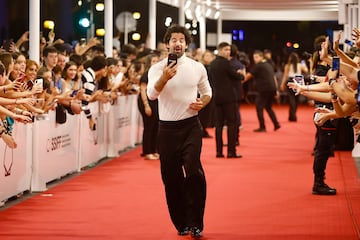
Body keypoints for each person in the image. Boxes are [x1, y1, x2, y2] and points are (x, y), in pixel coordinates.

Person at [147, 24, 212, 238]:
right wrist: (165, 77)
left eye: (181, 40)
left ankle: (196, 224)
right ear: (167, 44)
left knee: (194, 172)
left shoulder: (197, 67)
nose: (177, 43)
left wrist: (202, 103)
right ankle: (181, 223)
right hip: (166, 130)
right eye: (173, 39)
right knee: (171, 177)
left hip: (191, 126)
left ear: (186, 43)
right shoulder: (156, 69)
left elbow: (207, 92)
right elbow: (151, 95)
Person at [209, 42, 244, 158]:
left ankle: (219, 152)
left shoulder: (212, 64)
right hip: (229, 98)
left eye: (229, 50)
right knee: (232, 124)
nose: (228, 52)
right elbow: (237, 77)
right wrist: (240, 75)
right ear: (219, 50)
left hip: (217, 97)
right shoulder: (226, 63)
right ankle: (231, 151)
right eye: (225, 50)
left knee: (218, 126)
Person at [243, 50, 281, 132]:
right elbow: (274, 78)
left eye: (256, 57)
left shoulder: (258, 66)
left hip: (264, 89)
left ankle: (262, 126)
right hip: (272, 88)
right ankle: (276, 124)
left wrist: (239, 80)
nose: (255, 59)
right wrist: (276, 89)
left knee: (259, 106)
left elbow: (247, 77)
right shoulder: (269, 65)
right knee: (268, 107)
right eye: (254, 58)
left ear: (261, 57)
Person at [137, 53, 160, 160]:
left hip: (154, 101)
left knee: (155, 126)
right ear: (149, 63)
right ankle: (147, 151)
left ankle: (153, 150)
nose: (155, 63)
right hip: (145, 101)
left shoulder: (157, 74)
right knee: (149, 127)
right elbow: (142, 90)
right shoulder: (146, 75)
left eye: (157, 61)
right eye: (153, 61)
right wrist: (146, 105)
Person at [280, 52, 308, 121]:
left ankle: (292, 116)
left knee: (291, 98)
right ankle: (293, 115)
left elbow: (285, 76)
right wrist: (304, 64)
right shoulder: (300, 65)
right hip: (298, 80)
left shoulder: (288, 65)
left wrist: (282, 84)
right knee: (296, 99)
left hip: (290, 80)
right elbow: (306, 70)